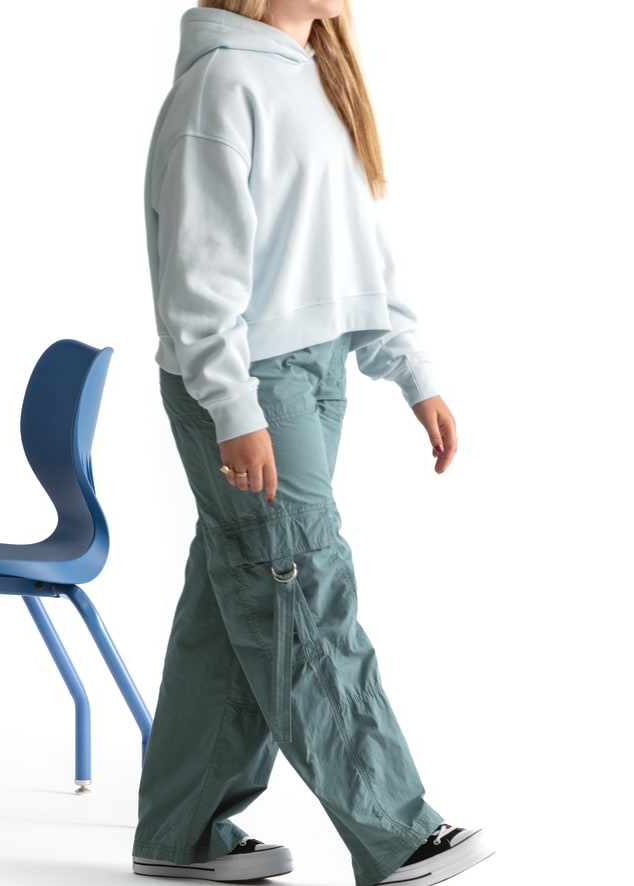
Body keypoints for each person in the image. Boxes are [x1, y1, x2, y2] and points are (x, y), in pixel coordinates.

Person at [132, 3, 493, 885]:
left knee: (242, 594)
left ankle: (180, 834)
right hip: (251, 375)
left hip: (315, 369)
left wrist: (412, 370)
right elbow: (198, 265)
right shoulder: (223, 80)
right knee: (301, 584)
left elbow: (357, 247)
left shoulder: (318, 76)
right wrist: (233, 404)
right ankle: (396, 833)